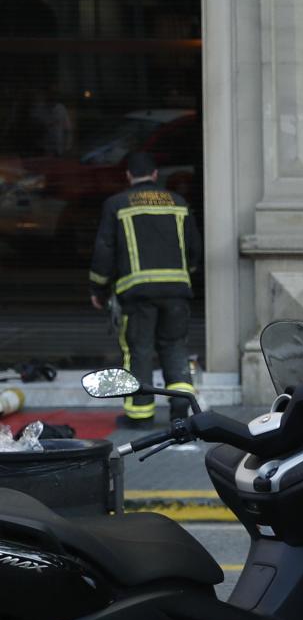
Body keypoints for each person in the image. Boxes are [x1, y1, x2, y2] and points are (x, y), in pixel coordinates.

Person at [89, 151, 203, 426]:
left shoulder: (117, 204)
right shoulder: (178, 202)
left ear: (128, 176)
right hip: (177, 292)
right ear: (155, 175)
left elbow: (105, 249)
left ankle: (140, 415)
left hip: (137, 294)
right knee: (175, 347)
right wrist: (185, 277)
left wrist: (98, 288)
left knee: (138, 350)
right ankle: (180, 409)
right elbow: (194, 249)